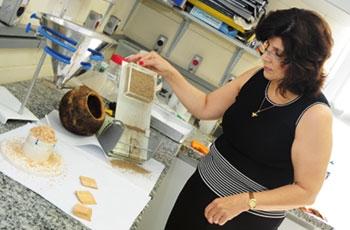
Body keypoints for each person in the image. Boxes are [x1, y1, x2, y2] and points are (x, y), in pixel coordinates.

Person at [127, 7, 333, 230]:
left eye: (277, 53)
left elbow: (307, 192)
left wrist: (246, 201)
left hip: (245, 218)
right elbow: (205, 107)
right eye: (267, 47)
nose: (266, 56)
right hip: (199, 192)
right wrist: (167, 71)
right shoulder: (257, 76)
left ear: (303, 61)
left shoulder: (314, 114)